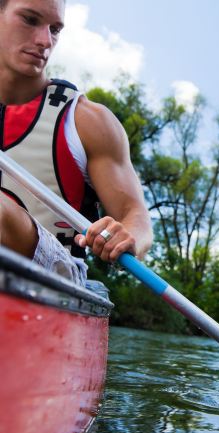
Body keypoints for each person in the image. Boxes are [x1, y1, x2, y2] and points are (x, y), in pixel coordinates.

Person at [0, 0, 153, 287]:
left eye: (55, 29)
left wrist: (127, 236)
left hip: (57, 273)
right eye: (30, 20)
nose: (45, 41)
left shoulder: (87, 120)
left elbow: (137, 217)